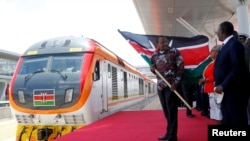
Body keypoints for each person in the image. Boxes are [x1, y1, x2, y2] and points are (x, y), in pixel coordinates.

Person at [214, 21, 249, 125]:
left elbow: (237, 67)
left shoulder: (234, 44)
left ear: (223, 31)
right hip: (226, 92)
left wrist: (223, 85)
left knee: (237, 119)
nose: (217, 33)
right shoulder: (226, 45)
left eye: (217, 31)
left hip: (234, 92)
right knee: (228, 119)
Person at [150, 36, 184, 141]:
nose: (165, 43)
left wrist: (176, 82)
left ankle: (173, 136)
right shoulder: (154, 55)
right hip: (161, 87)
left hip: (171, 87)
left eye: (166, 41)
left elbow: (181, 67)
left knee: (172, 111)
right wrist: (152, 70)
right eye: (162, 42)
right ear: (158, 45)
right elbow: (154, 69)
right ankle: (169, 133)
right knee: (166, 111)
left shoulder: (174, 52)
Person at [199, 45, 222, 124]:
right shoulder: (213, 61)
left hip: (215, 88)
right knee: (215, 110)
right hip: (210, 88)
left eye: (212, 51)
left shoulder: (219, 62)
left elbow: (216, 75)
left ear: (217, 53)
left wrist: (206, 79)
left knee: (218, 110)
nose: (210, 52)